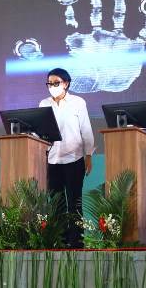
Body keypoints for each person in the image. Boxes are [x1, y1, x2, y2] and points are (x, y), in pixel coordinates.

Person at [39, 67, 95, 247]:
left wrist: (88, 155)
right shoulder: (44, 104)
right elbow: (40, 132)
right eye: (49, 83)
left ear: (66, 83)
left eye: (56, 83)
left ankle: (77, 241)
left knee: (74, 202)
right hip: (52, 160)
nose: (52, 86)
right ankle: (61, 240)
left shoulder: (78, 102)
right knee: (56, 203)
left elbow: (86, 130)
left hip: (74, 159)